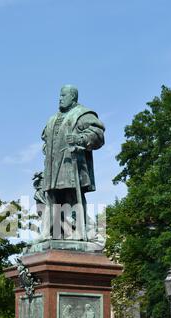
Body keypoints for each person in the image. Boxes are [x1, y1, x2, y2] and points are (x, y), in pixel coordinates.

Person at [40, 85, 105, 240]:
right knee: (52, 197)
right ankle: (51, 232)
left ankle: (80, 231)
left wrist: (79, 139)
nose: (60, 98)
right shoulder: (52, 119)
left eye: (63, 95)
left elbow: (97, 134)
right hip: (52, 166)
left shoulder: (82, 114)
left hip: (71, 163)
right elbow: (45, 139)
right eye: (59, 96)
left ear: (73, 98)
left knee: (73, 197)